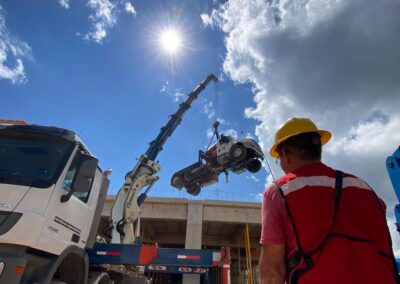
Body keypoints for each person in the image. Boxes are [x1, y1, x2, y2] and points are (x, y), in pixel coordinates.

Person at [259, 117, 399, 284]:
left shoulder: (280, 192)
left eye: (279, 159)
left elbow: (273, 272)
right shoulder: (366, 190)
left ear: (285, 154)